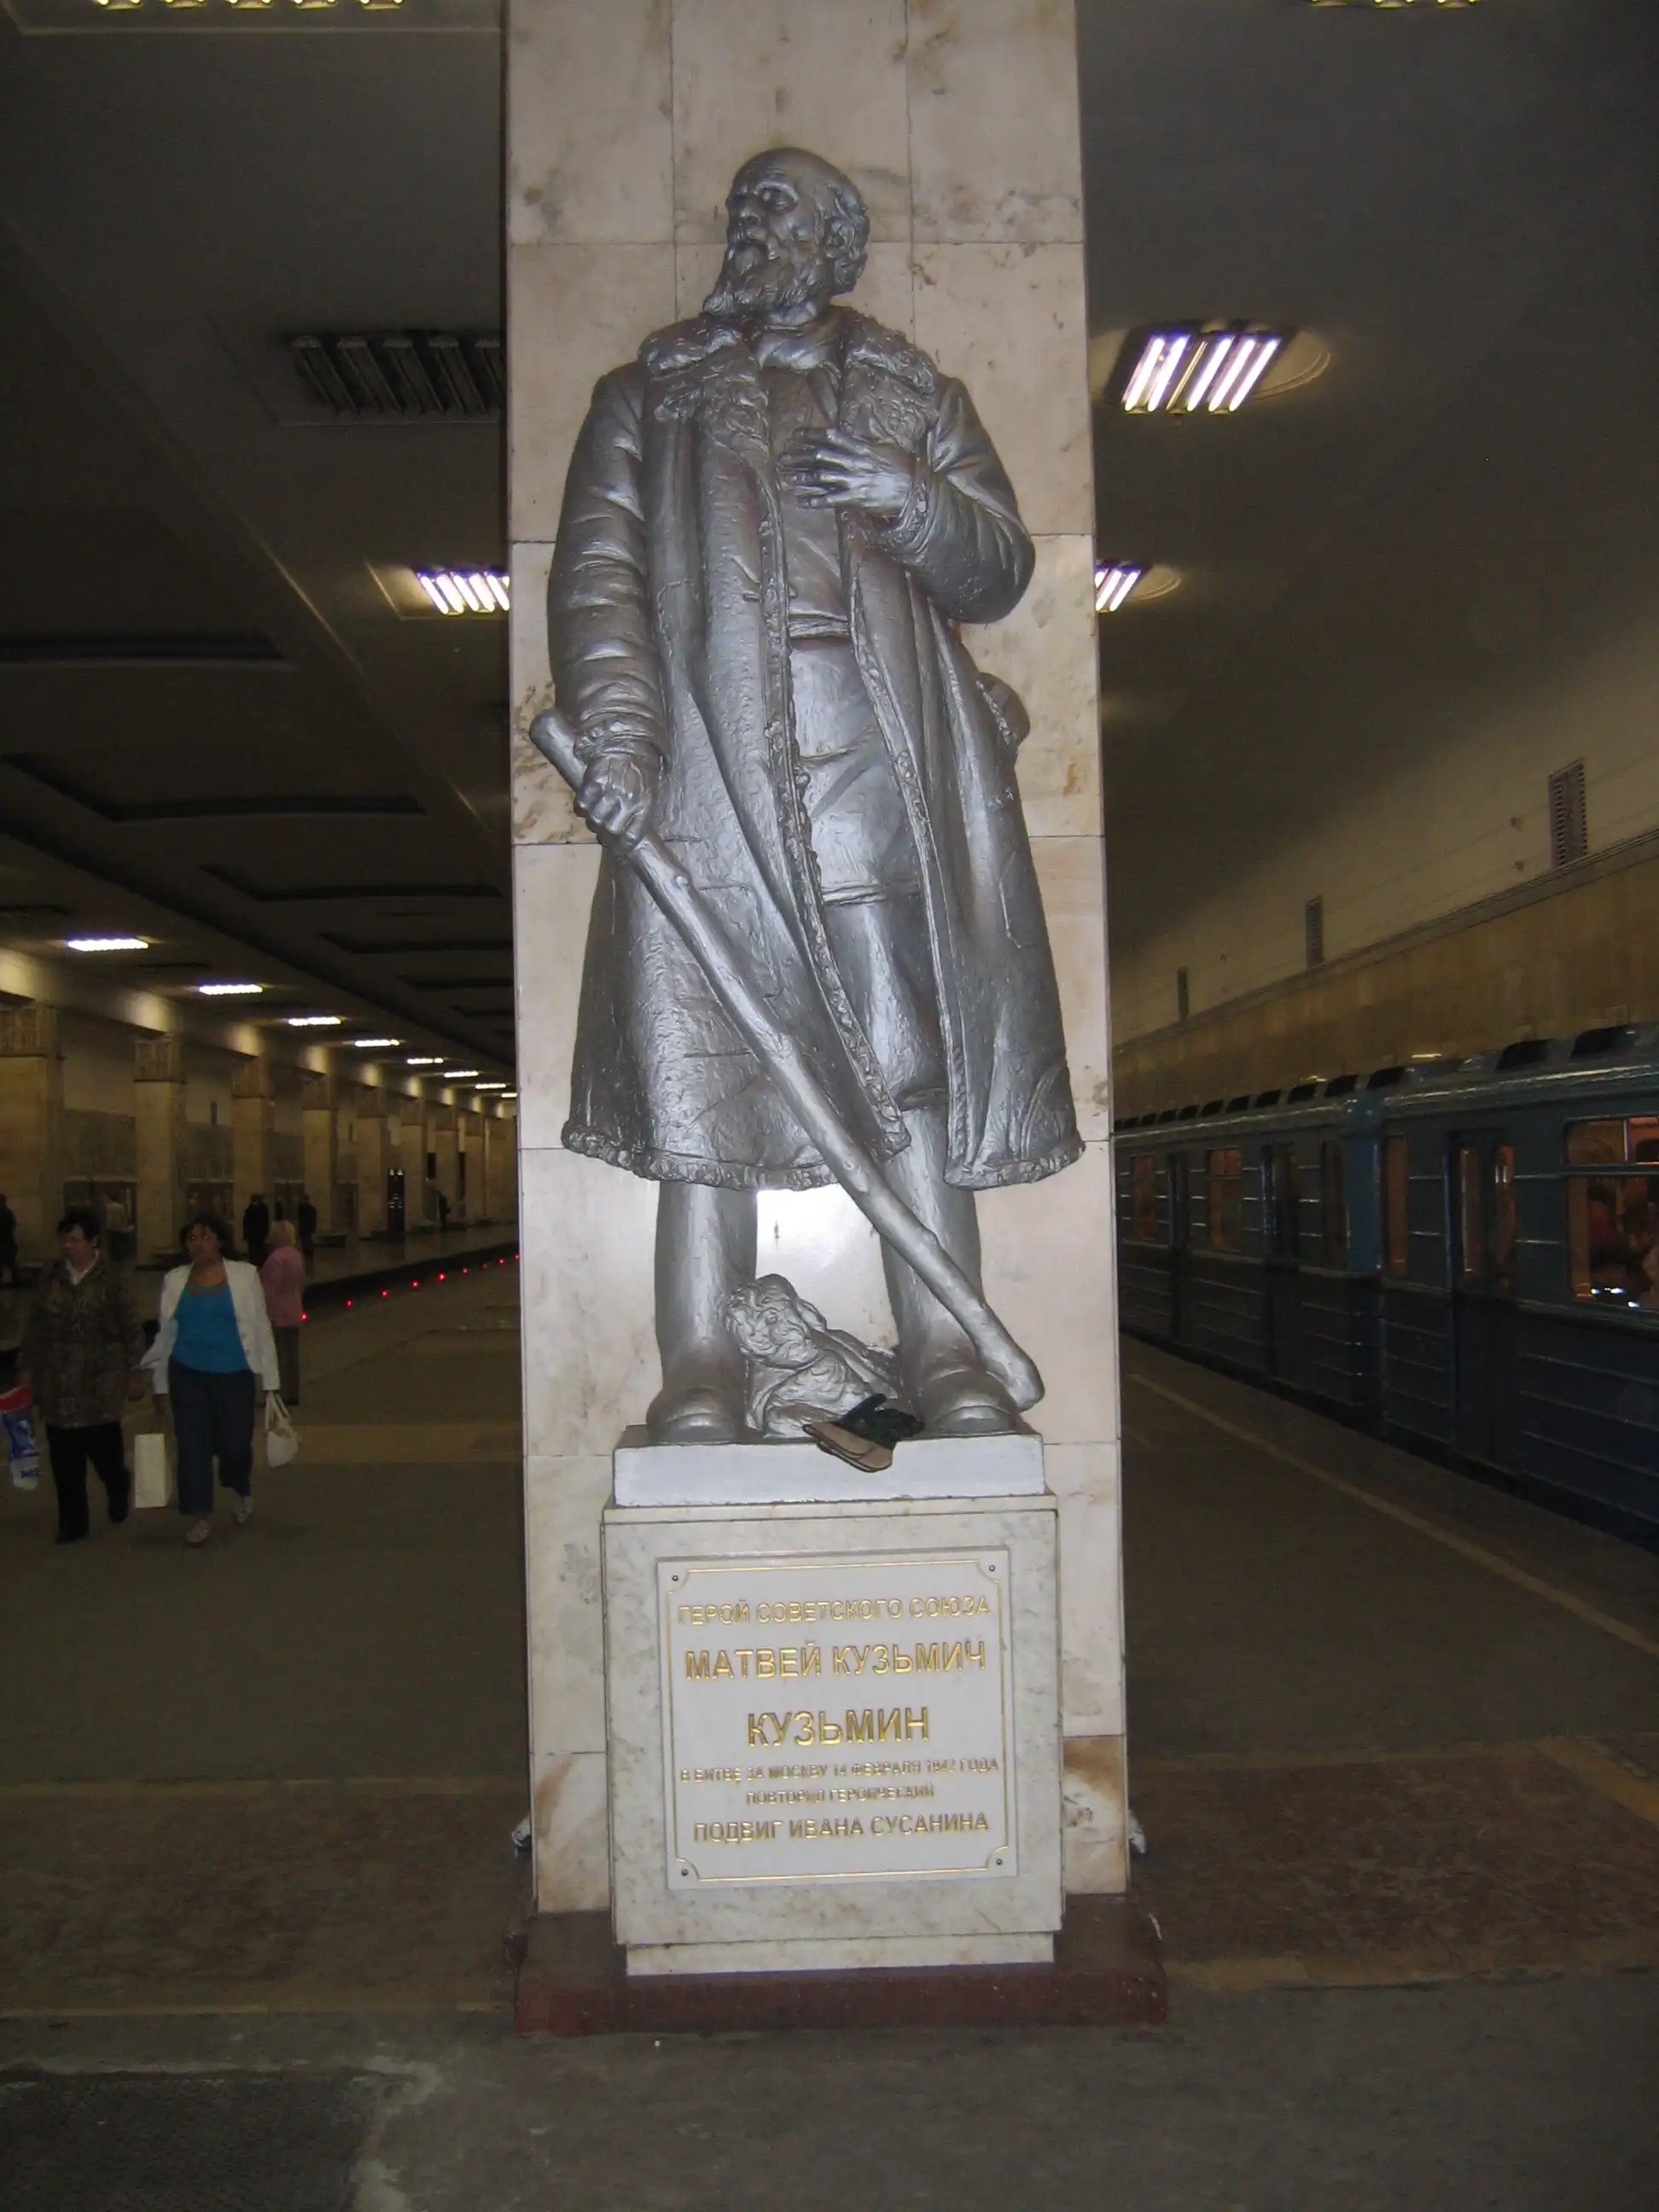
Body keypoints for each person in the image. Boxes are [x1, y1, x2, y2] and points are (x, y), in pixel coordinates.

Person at [548, 147, 1079, 1441]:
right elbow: (599, 581)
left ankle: (943, 1353)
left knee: (910, 1063)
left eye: (779, 208)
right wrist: (623, 744)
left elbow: (999, 566)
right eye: (744, 208)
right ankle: (702, 1364)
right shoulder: (648, 396)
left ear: (838, 243)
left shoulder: (913, 394)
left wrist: (914, 501)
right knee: (703, 1068)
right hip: (705, 772)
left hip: (876, 761)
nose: (752, 224)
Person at [145, 1213, 281, 1547]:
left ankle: (240, 1486)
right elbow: (166, 1334)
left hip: (234, 1374)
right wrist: (160, 1386)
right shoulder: (175, 1280)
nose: (198, 1244)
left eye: (205, 1237)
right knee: (192, 1447)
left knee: (235, 1445)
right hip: (187, 1374)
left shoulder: (245, 1275)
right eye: (192, 1238)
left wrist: (271, 1381)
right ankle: (199, 1515)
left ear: (220, 1241)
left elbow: (261, 1326)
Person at [17, 1207, 146, 1545]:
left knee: (105, 1453)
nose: (68, 1247)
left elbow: (132, 1327)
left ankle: (118, 1486)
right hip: (58, 1380)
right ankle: (73, 1521)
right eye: (64, 1240)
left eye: (74, 1240)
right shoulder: (52, 1278)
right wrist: (27, 1367)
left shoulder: (113, 1279)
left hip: (101, 1381)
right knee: (64, 1456)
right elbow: (36, 1326)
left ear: (93, 1242)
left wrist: (135, 1371)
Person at [259, 1220, 306, 1406]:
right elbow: (301, 1283)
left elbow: (269, 1289)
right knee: (292, 1354)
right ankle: (292, 1392)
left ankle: (277, 1394)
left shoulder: (276, 1259)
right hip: (294, 1308)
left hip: (277, 1312)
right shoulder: (296, 1255)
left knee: (276, 1355)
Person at [241, 1192, 271, 1268]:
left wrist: (245, 1234)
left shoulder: (252, 1209)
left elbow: (246, 1222)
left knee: (253, 1252)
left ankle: (255, 1264)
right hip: (261, 1234)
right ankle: (260, 1264)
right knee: (260, 1250)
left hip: (252, 1235)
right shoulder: (264, 1208)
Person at [0, 1192, 20, 1288]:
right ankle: (16, 1282)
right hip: (8, 1241)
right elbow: (13, 1225)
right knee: (11, 1264)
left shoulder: (5, 1213)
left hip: (4, 1242)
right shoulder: (8, 1212)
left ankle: (15, 1282)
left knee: (4, 1263)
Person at [295, 1190, 317, 1269]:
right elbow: (314, 1220)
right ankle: (309, 1254)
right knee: (308, 1240)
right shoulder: (312, 1209)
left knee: (305, 1241)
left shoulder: (303, 1209)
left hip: (304, 1227)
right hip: (309, 1227)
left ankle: (307, 1254)